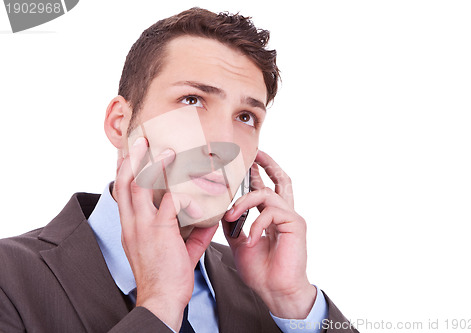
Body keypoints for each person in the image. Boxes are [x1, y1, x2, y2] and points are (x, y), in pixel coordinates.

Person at [0, 7, 358, 333]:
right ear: (119, 124)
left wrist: (294, 302)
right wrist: (159, 307)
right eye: (192, 100)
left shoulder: (268, 290)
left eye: (246, 117)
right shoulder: (10, 278)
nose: (223, 143)